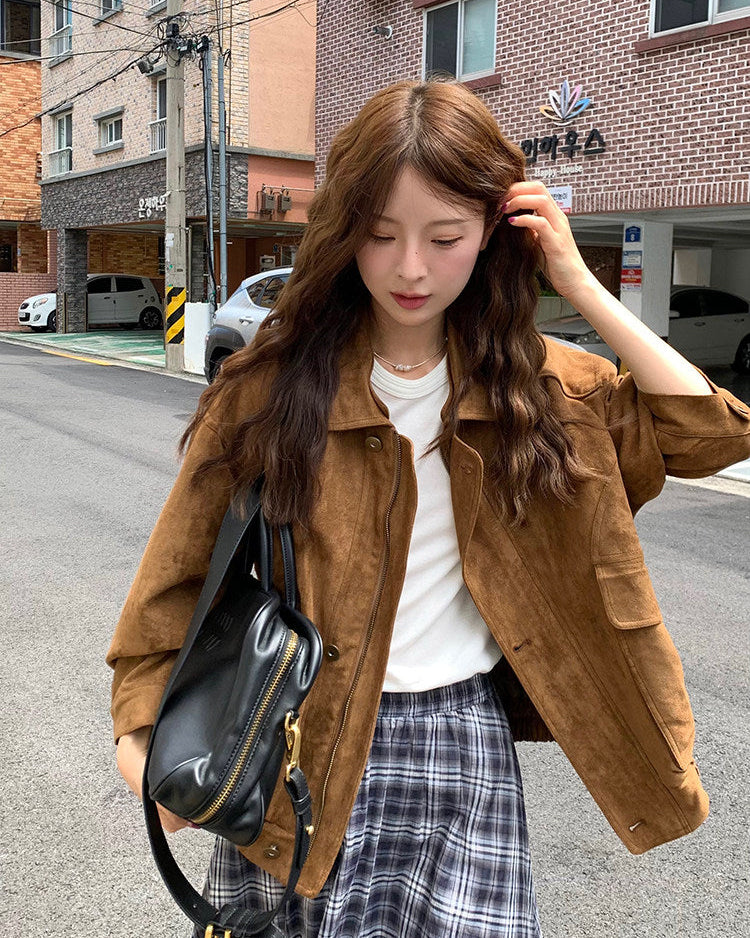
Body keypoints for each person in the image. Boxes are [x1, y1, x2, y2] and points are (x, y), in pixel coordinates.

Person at [108, 78, 750, 938]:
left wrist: (580, 284)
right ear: (343, 234)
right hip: (298, 743)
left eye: (445, 237)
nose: (411, 268)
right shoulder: (268, 391)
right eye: (380, 235)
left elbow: (710, 433)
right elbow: (173, 583)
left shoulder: (545, 390)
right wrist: (144, 742)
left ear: (492, 231)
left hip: (461, 746)